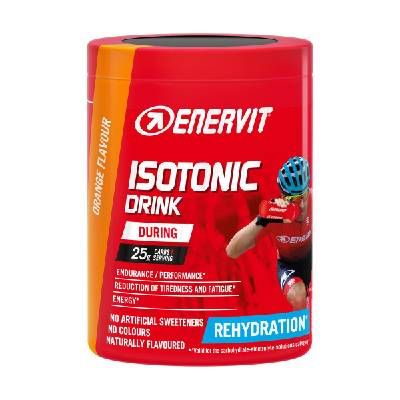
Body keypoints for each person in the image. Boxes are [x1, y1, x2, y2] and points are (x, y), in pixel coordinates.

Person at [226, 156, 312, 310]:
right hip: (288, 265)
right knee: (298, 296)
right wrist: (262, 221)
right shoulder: (276, 213)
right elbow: (232, 251)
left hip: (313, 258)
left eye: (304, 195)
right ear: (284, 197)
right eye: (295, 199)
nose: (302, 204)